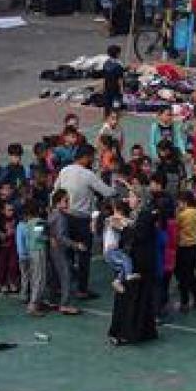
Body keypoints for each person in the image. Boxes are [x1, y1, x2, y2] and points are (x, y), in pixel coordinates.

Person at [56, 147, 117, 301]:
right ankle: (82, 289)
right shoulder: (88, 175)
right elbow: (107, 192)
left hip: (65, 217)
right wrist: (119, 189)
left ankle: (65, 286)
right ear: (84, 157)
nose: (92, 161)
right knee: (84, 255)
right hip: (81, 219)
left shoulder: (64, 171)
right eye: (91, 157)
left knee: (67, 254)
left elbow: (55, 191)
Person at [106, 204, 158, 346]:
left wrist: (123, 227)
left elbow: (137, 235)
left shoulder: (144, 218)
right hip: (134, 261)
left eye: (132, 196)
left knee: (132, 299)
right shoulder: (135, 218)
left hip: (138, 263)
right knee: (132, 299)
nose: (128, 199)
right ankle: (128, 331)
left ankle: (128, 332)